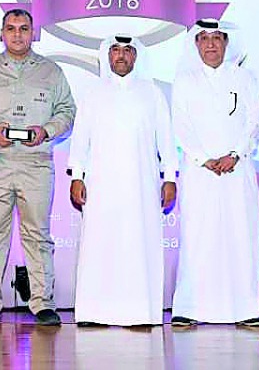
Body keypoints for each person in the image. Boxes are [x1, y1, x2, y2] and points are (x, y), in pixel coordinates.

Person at [0, 9, 76, 327]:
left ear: (34, 33)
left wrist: (47, 130)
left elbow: (67, 111)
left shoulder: (51, 71)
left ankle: (42, 302)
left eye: (24, 28)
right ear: (1, 33)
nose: (17, 34)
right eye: (11, 28)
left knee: (38, 235)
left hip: (36, 164)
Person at [68, 35, 176, 327]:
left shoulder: (151, 93)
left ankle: (141, 313)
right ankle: (94, 313)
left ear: (135, 56)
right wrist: (77, 176)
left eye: (127, 51)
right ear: (107, 55)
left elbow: (165, 140)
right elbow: (81, 140)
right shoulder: (93, 93)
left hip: (142, 185)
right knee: (100, 245)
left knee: (138, 244)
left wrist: (169, 178)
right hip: (101, 185)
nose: (121, 56)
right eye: (115, 50)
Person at [170, 19, 259, 327]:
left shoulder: (245, 78)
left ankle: (245, 309)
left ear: (226, 43)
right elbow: (181, 125)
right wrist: (203, 158)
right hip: (200, 173)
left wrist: (235, 154)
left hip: (238, 171)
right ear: (196, 45)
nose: (211, 45)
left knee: (241, 235)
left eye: (217, 38)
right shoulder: (184, 81)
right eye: (204, 39)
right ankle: (189, 308)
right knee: (198, 237)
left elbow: (254, 123)